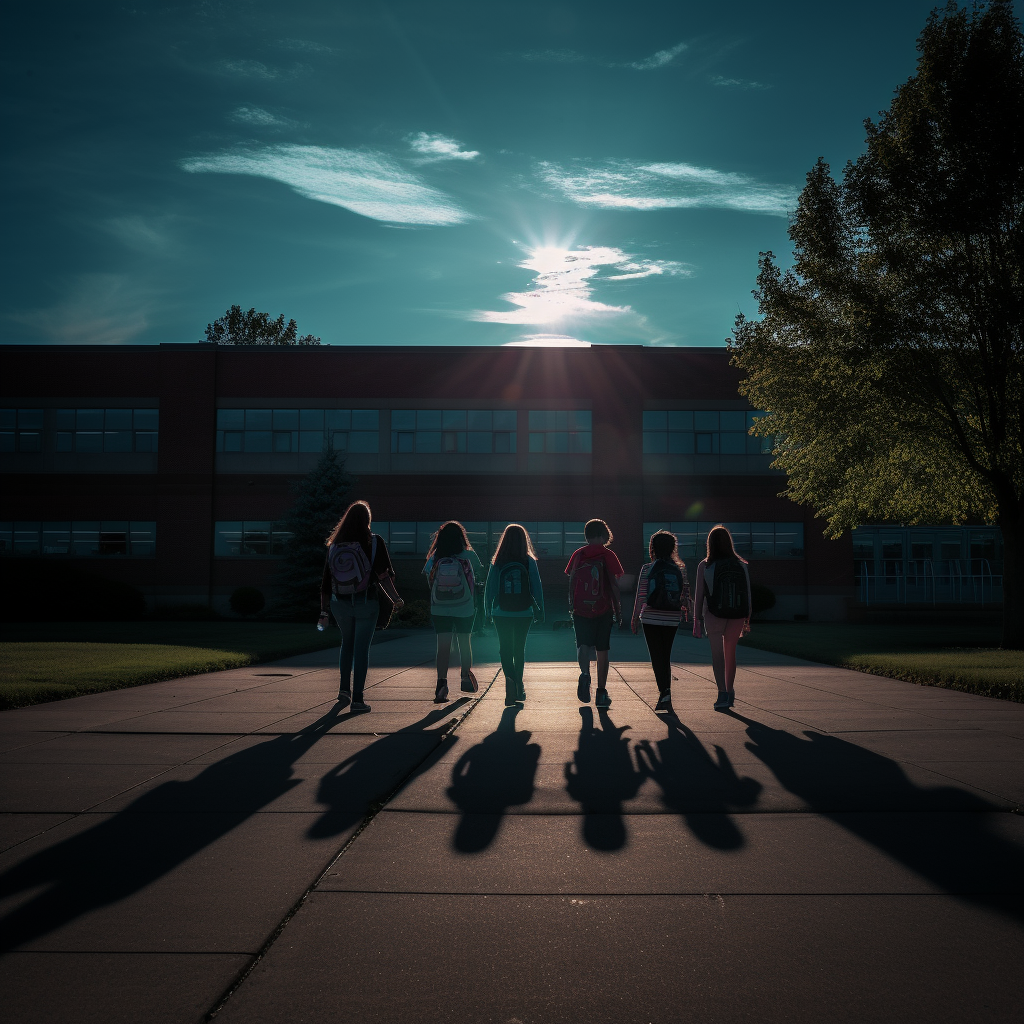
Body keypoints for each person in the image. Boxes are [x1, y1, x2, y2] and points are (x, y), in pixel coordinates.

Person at [319, 500, 404, 713]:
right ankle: (357, 699)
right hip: (367, 601)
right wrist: (395, 599)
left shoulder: (334, 545)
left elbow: (326, 582)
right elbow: (383, 576)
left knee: (346, 644)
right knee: (361, 649)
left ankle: (343, 691)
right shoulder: (374, 542)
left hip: (341, 604)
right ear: (367, 520)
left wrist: (323, 611)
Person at [692, 524, 752, 709]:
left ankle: (722, 694)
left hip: (713, 614)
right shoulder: (741, 565)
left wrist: (696, 619)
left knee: (717, 655)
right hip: (736, 615)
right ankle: (730, 690)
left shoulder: (705, 565)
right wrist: (747, 617)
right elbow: (747, 592)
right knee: (730, 654)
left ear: (710, 543)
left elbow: (699, 594)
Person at [565, 518, 623, 709]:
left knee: (583, 645)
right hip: (603, 609)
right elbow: (614, 584)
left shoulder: (578, 554)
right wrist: (618, 609)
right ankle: (601, 693)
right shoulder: (607, 554)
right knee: (602, 650)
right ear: (603, 535)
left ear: (587, 536)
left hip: (580, 609)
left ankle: (584, 674)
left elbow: (572, 579)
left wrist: (571, 604)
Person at [484, 523, 545, 705]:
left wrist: (487, 611)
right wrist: (540, 610)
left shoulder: (498, 561)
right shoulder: (529, 561)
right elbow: (537, 588)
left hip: (501, 612)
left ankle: (510, 681)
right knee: (519, 649)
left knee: (505, 648)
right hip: (524, 612)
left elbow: (490, 589)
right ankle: (519, 685)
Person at [423, 521, 483, 702]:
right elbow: (478, 576)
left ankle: (441, 684)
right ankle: (465, 677)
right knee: (465, 642)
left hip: (440, 607)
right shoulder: (469, 556)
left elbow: (429, 579)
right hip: (465, 606)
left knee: (443, 646)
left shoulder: (435, 557)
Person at [631, 530, 690, 712]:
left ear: (652, 548)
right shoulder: (680, 569)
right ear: (673, 548)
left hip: (650, 617)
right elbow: (685, 595)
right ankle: (666, 693)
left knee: (657, 657)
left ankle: (665, 694)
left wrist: (634, 618)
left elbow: (641, 596)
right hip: (672, 617)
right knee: (666, 655)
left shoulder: (647, 568)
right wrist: (686, 613)